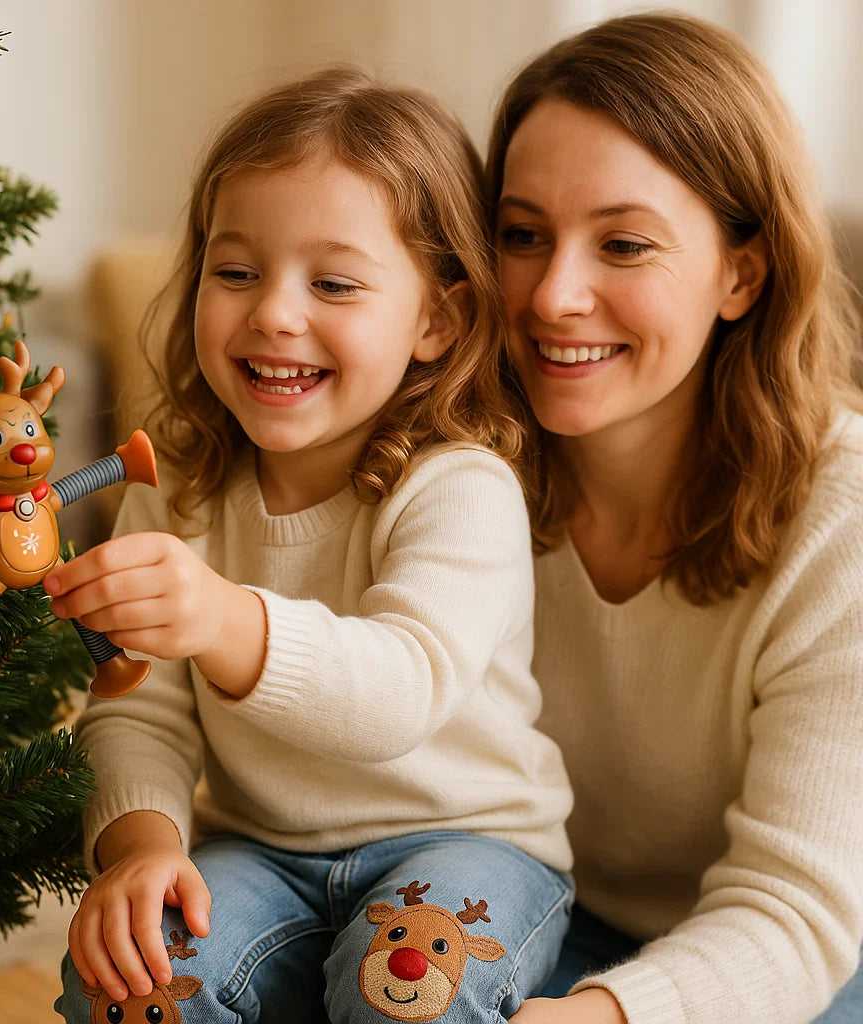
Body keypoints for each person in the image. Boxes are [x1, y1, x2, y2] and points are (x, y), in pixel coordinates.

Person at [49, 67, 575, 1023]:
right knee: (131, 988)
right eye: (236, 270)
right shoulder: (182, 483)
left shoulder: (461, 485)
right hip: (259, 851)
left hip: (466, 843)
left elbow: (401, 691)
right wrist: (143, 847)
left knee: (406, 991)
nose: (274, 313)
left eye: (333, 282)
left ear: (436, 320)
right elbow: (135, 711)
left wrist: (219, 617)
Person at [484, 12, 863, 1024]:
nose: (556, 294)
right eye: (522, 235)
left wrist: (600, 1015)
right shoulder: (453, 468)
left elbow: (797, 909)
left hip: (805, 946)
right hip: (539, 913)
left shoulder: (846, 514)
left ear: (741, 271)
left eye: (623, 243)